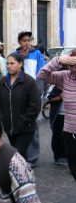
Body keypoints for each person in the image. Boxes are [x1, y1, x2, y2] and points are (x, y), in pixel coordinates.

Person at [37, 50, 76, 180]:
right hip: (70, 132)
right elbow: (42, 75)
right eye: (71, 64)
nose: (73, 67)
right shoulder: (65, 76)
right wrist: (58, 60)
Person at [0, 53, 41, 159]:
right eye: (7, 63)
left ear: (20, 64)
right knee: (19, 155)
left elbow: (35, 105)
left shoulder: (29, 82)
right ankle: (23, 173)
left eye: (12, 63)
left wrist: (23, 120)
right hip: (9, 127)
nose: (9, 66)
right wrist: (3, 118)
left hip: (25, 128)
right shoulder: (3, 82)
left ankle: (20, 174)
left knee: (17, 155)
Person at [15, 31, 45, 167]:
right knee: (19, 124)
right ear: (19, 42)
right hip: (19, 94)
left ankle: (32, 157)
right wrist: (20, 59)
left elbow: (42, 73)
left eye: (28, 40)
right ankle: (21, 155)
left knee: (32, 124)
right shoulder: (15, 55)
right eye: (24, 41)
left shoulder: (37, 54)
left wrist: (38, 92)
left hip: (33, 94)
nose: (27, 43)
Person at [47, 85, 67, 165]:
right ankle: (58, 157)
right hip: (58, 116)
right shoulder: (57, 86)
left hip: (71, 115)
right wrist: (60, 97)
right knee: (57, 136)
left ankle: (66, 156)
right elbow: (49, 99)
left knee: (68, 137)